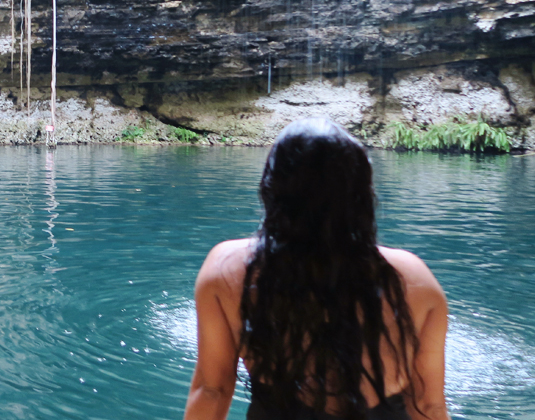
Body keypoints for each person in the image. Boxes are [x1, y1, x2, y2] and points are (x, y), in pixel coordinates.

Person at [184, 117, 449, 420]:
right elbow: (428, 405)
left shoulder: (227, 270)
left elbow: (212, 390)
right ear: (361, 195)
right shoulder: (413, 281)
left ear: (272, 188)